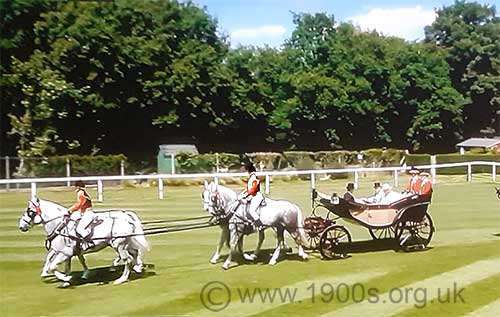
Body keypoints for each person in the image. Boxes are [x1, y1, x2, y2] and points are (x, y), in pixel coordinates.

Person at [67, 180, 95, 249]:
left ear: (78, 187)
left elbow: (80, 204)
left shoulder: (81, 193)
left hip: (87, 213)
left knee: (79, 229)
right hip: (84, 213)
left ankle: (90, 242)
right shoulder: (83, 192)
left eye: (76, 186)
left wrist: (71, 210)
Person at [238, 163, 263, 229]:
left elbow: (253, 189)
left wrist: (245, 195)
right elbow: (248, 188)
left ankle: (260, 225)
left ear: (248, 171)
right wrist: (242, 193)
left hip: (256, 196)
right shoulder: (252, 177)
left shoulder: (254, 178)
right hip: (252, 195)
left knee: (252, 211)